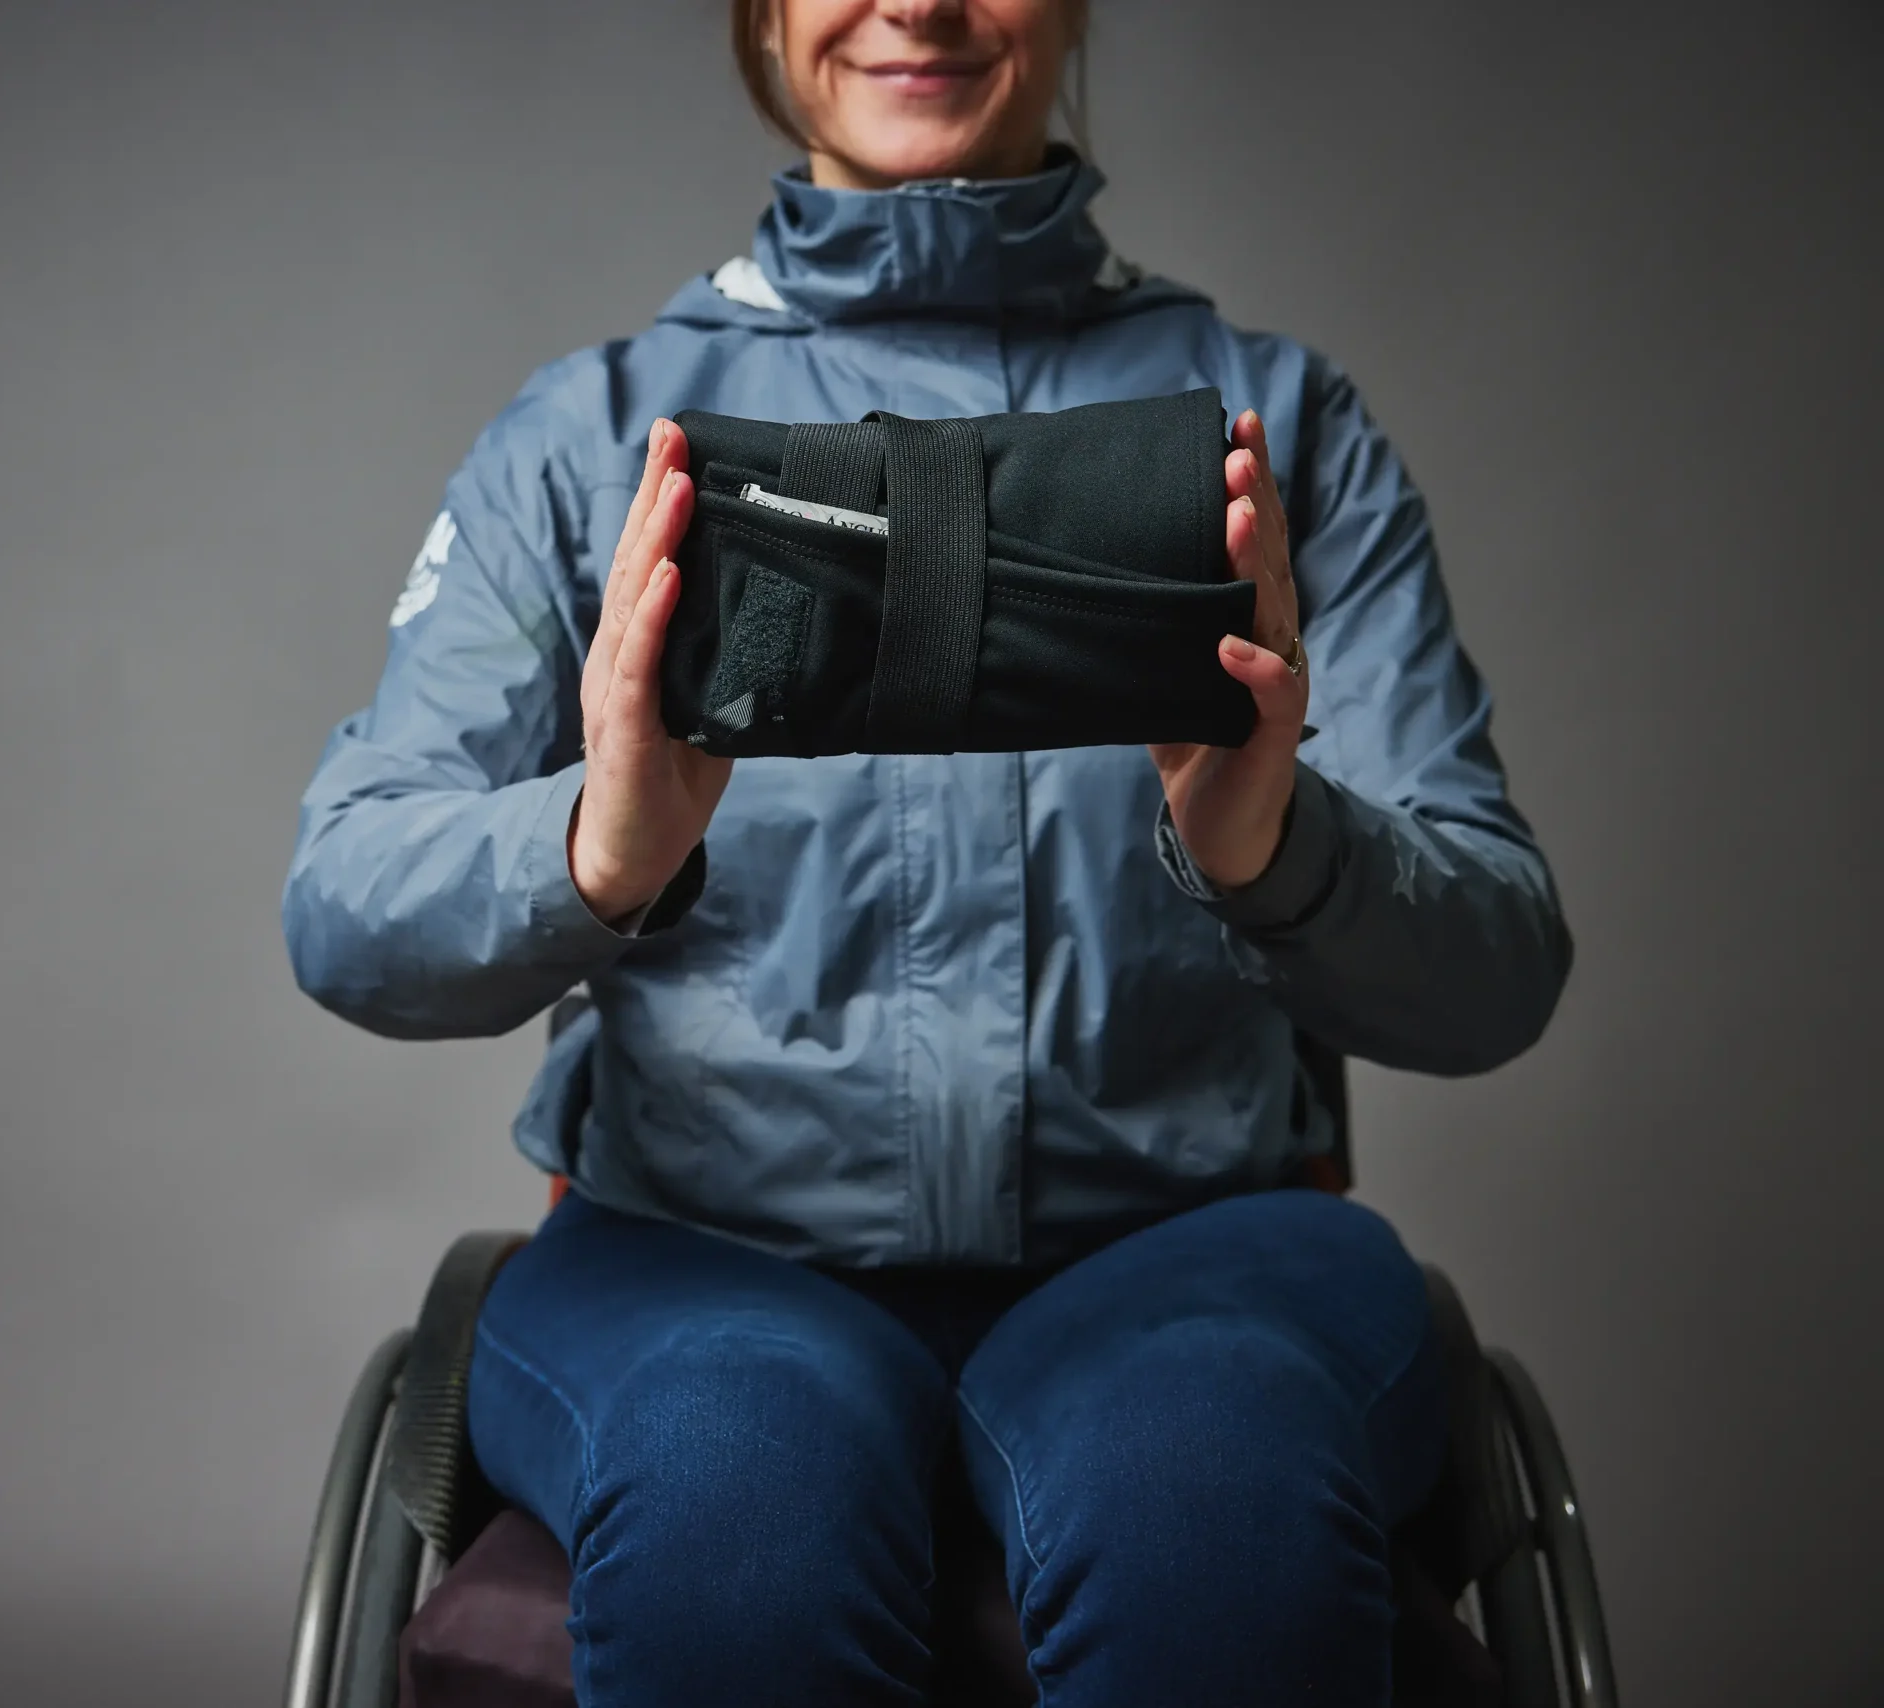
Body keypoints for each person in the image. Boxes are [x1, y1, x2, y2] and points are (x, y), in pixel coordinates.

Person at [282, 1, 1572, 1702]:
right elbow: (346, 906)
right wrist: (599, 846)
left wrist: (1278, 844)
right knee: (731, 1502)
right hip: (699, 1260)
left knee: (1214, 1500)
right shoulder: (595, 438)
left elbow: (1499, 968)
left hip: (1191, 1248)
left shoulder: (1272, 429)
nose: (922, 2)